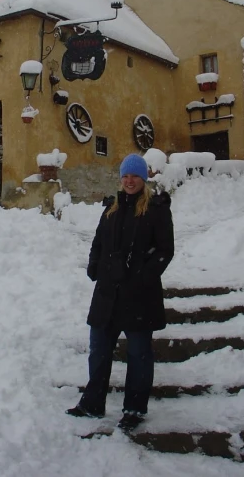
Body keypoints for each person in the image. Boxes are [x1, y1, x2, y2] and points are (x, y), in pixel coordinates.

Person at [66, 153, 174, 432]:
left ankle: (134, 409)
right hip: (107, 293)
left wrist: (142, 277)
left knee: (138, 354)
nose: (129, 180)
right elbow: (98, 241)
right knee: (99, 349)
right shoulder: (111, 208)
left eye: (135, 176)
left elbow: (165, 250)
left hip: (139, 295)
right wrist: (94, 266)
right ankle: (92, 403)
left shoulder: (157, 208)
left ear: (143, 179)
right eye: (125, 175)